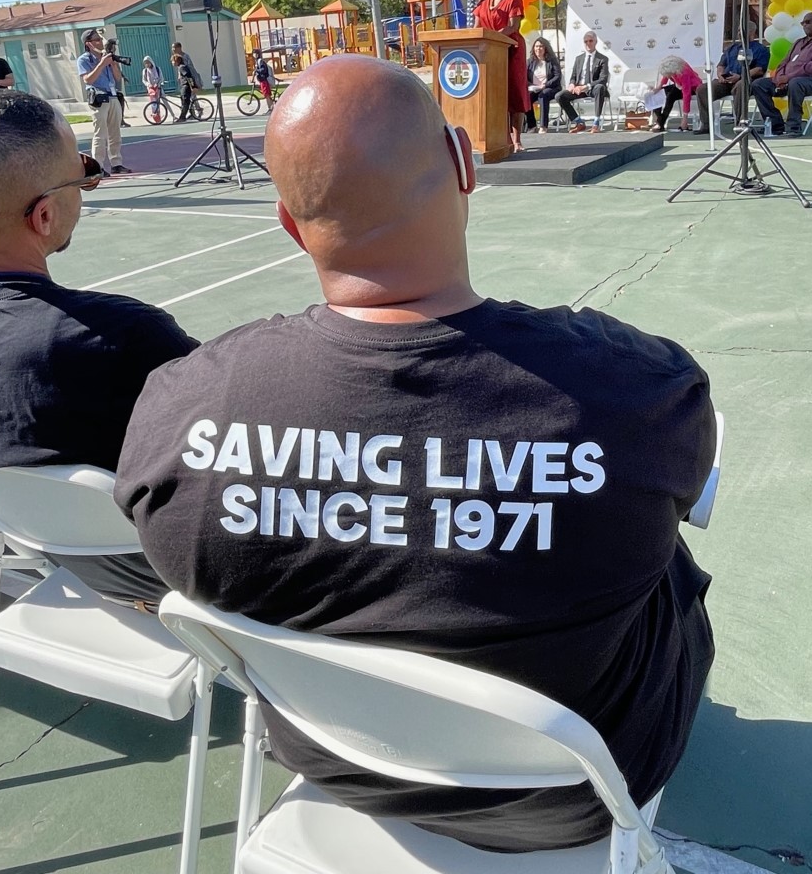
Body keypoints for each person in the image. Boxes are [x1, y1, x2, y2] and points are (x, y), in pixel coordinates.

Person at [114, 55, 715, 855]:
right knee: (657, 545)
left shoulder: (181, 405)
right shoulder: (634, 390)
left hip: (335, 760)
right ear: (464, 167)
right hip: (574, 792)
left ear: (291, 224)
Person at [0, 89, 197, 607]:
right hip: (158, 581)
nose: (87, 182)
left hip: (47, 559)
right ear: (43, 216)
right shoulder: (123, 338)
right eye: (83, 173)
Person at [473, 0, 531, 153]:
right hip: (489, 51)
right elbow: (477, 24)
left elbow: (514, 26)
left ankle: (517, 140)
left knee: (513, 94)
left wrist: (494, 37)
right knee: (494, 94)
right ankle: (500, 138)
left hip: (511, 50)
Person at [751, 13, 812, 137]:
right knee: (758, 84)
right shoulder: (798, 43)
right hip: (788, 81)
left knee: (795, 83)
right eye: (803, 23)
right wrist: (779, 78)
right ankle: (775, 125)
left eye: (808, 22)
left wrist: (788, 77)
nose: (804, 25)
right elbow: (784, 62)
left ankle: (794, 126)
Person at [694, 21, 768, 135]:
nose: (739, 33)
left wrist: (740, 76)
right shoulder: (732, 48)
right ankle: (706, 124)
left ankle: (740, 124)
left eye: (742, 30)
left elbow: (759, 69)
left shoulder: (761, 49)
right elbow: (721, 65)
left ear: (752, 32)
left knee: (740, 86)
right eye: (738, 30)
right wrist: (720, 75)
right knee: (702, 89)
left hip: (746, 79)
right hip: (726, 81)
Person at [76, 28, 131, 176]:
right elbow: (88, 79)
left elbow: (118, 78)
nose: (100, 42)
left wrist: (112, 64)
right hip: (98, 98)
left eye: (100, 39)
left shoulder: (107, 57)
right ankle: (98, 166)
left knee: (115, 132)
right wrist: (101, 64)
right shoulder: (84, 59)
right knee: (100, 133)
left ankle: (116, 163)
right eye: (97, 40)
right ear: (89, 43)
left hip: (112, 96)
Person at [555, 30, 610, 133]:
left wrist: (587, 86)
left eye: (591, 41)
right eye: (586, 41)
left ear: (596, 42)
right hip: (579, 89)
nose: (588, 43)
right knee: (559, 96)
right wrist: (571, 84)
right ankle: (578, 122)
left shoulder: (602, 59)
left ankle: (596, 123)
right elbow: (574, 76)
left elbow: (603, 79)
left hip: (593, 88)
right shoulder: (579, 59)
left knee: (600, 87)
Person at [650, 56, 702, 132]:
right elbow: (666, 76)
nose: (667, 76)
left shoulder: (684, 73)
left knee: (670, 96)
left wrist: (685, 119)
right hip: (678, 85)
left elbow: (686, 95)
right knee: (657, 94)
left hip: (692, 87)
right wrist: (658, 88)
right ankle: (659, 119)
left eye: (668, 74)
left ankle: (660, 123)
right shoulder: (672, 69)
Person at [525, 36, 562, 133]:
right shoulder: (530, 62)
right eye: (536, 46)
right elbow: (524, 78)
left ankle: (543, 126)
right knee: (526, 98)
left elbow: (557, 77)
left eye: (541, 46)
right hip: (534, 88)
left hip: (550, 88)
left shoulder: (552, 61)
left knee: (543, 96)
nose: (538, 49)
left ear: (545, 48)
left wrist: (545, 85)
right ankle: (532, 126)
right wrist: (531, 86)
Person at [142, 56, 165, 124]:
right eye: (145, 63)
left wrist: (157, 84)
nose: (147, 64)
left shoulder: (157, 69)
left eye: (148, 63)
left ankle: (173, 115)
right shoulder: (145, 71)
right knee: (154, 104)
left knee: (164, 101)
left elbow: (161, 78)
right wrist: (148, 84)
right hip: (151, 89)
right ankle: (157, 119)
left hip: (158, 88)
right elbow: (144, 80)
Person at [172, 54, 195, 121]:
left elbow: (188, 76)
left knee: (185, 102)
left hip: (186, 86)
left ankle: (182, 117)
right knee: (184, 101)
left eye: (173, 61)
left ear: (177, 61)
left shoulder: (182, 67)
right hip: (183, 86)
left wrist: (193, 86)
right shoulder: (180, 67)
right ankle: (187, 115)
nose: (172, 63)